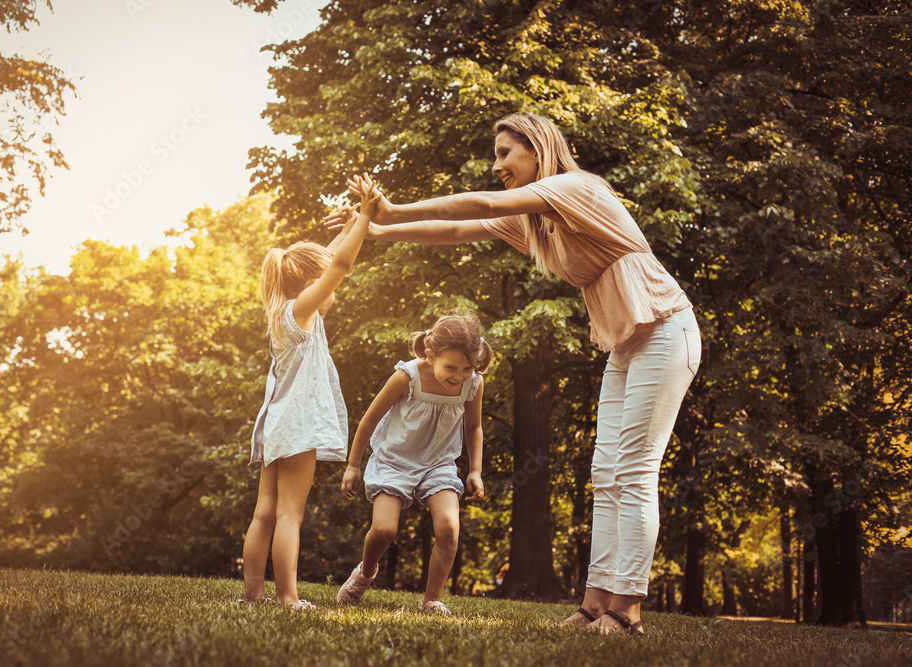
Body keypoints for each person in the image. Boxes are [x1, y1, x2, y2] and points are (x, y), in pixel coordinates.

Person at [326, 113, 700, 635]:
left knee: (633, 472)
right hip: (626, 341)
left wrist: (392, 206)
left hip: (664, 329)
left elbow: (479, 203)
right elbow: (459, 227)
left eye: (506, 153)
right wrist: (375, 227)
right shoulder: (536, 218)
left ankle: (626, 611)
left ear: (539, 147)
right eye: (496, 154)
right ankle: (594, 607)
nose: (496, 164)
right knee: (604, 474)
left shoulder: (574, 188)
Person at [238, 174, 378, 610]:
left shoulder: (284, 311)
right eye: (320, 283)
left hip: (278, 423)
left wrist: (349, 225)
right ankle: (287, 598)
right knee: (288, 515)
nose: (332, 290)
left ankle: (252, 596)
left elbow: (329, 260)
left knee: (265, 511)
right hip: (296, 424)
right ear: (308, 285)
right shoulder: (301, 312)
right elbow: (338, 267)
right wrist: (367, 216)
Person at [337, 314, 492, 616]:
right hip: (394, 461)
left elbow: (474, 428)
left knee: (448, 529)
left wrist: (475, 469)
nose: (458, 375)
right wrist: (353, 465)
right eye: (450, 367)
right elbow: (369, 419)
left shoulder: (473, 384)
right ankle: (363, 575)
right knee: (384, 531)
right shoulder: (406, 377)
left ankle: (431, 600)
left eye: (467, 368)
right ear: (430, 355)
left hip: (439, 463)